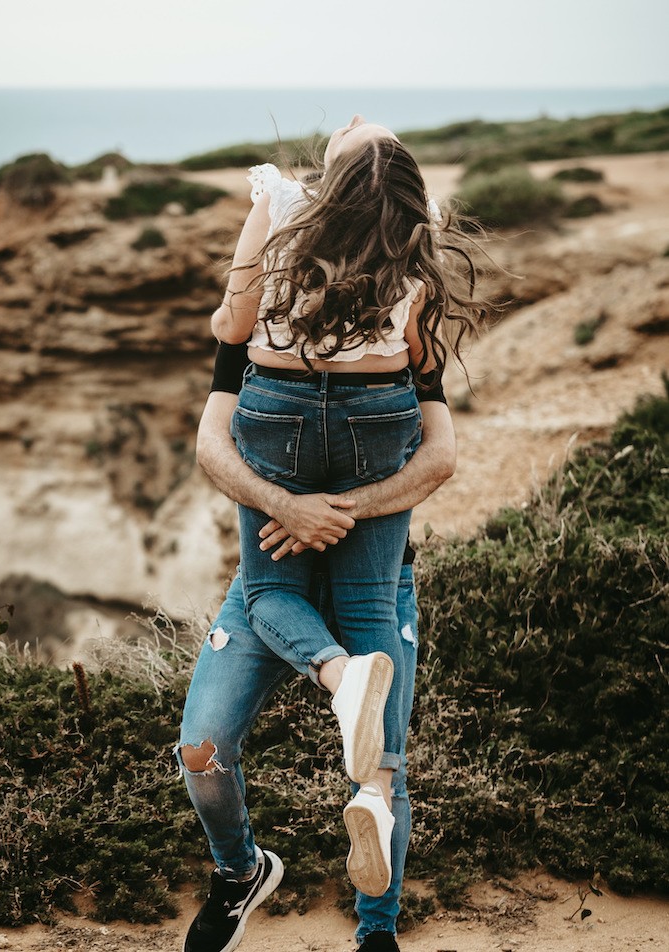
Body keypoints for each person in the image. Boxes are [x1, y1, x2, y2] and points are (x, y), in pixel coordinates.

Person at [204, 116, 487, 901]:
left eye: (364, 131)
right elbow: (420, 365)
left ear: (341, 176)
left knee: (267, 592)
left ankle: (339, 679)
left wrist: (239, 320)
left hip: (278, 413)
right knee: (372, 624)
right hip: (378, 421)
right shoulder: (411, 239)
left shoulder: (281, 199)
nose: (357, 118)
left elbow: (232, 324)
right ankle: (376, 809)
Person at [175, 339, 455, 952]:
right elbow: (211, 445)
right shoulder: (264, 322)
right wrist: (285, 506)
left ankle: (377, 931)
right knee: (201, 747)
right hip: (270, 584)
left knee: (383, 770)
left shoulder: (396, 323)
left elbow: (440, 456)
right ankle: (240, 874)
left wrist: (333, 513)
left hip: (378, 583)